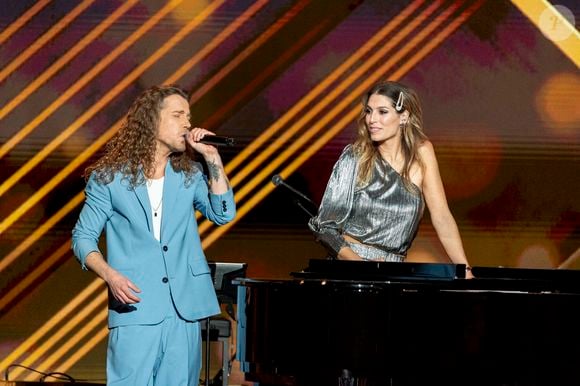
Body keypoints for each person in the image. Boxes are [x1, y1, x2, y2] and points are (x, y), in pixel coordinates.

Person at [71, 85, 236, 385]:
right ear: (152, 121)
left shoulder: (189, 175)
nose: (188, 123)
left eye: (189, 115)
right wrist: (111, 276)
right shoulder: (110, 179)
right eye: (178, 115)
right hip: (136, 306)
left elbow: (223, 213)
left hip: (184, 311)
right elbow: (82, 238)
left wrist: (212, 158)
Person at [308, 81, 473, 278]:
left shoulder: (423, 152)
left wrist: (465, 270)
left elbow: (442, 217)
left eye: (382, 112)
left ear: (404, 116)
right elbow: (325, 227)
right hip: (350, 269)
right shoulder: (355, 156)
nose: (371, 119)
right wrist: (360, 265)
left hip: (395, 272)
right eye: (369, 111)